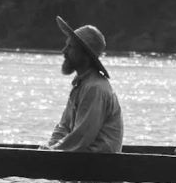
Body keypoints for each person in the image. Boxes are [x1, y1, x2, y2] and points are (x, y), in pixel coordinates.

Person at [45, 16, 123, 153]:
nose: (64, 51)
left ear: (85, 54)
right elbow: (63, 128)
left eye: (70, 47)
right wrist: (48, 149)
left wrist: (52, 153)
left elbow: (81, 138)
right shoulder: (82, 84)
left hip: (98, 164)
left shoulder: (95, 88)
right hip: (81, 159)